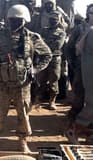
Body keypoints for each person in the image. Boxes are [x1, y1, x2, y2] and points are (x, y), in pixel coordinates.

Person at [0, 4, 51, 153]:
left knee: (23, 115)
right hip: (2, 83)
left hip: (23, 84)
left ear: (24, 21)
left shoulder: (32, 37)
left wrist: (35, 69)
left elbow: (47, 54)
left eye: (18, 20)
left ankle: (22, 142)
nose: (14, 23)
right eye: (12, 20)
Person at [65, 3, 93, 144]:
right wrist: (72, 64)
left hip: (87, 70)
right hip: (84, 71)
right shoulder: (84, 30)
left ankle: (88, 133)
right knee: (82, 101)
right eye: (91, 12)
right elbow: (72, 49)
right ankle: (74, 128)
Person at [37, 11, 66, 110]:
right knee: (41, 80)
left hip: (55, 58)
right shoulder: (43, 30)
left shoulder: (61, 32)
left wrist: (44, 43)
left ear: (58, 21)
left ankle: (52, 101)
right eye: (51, 19)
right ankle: (38, 99)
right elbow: (38, 43)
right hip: (43, 58)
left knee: (53, 80)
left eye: (55, 19)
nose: (52, 21)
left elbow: (57, 45)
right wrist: (45, 44)